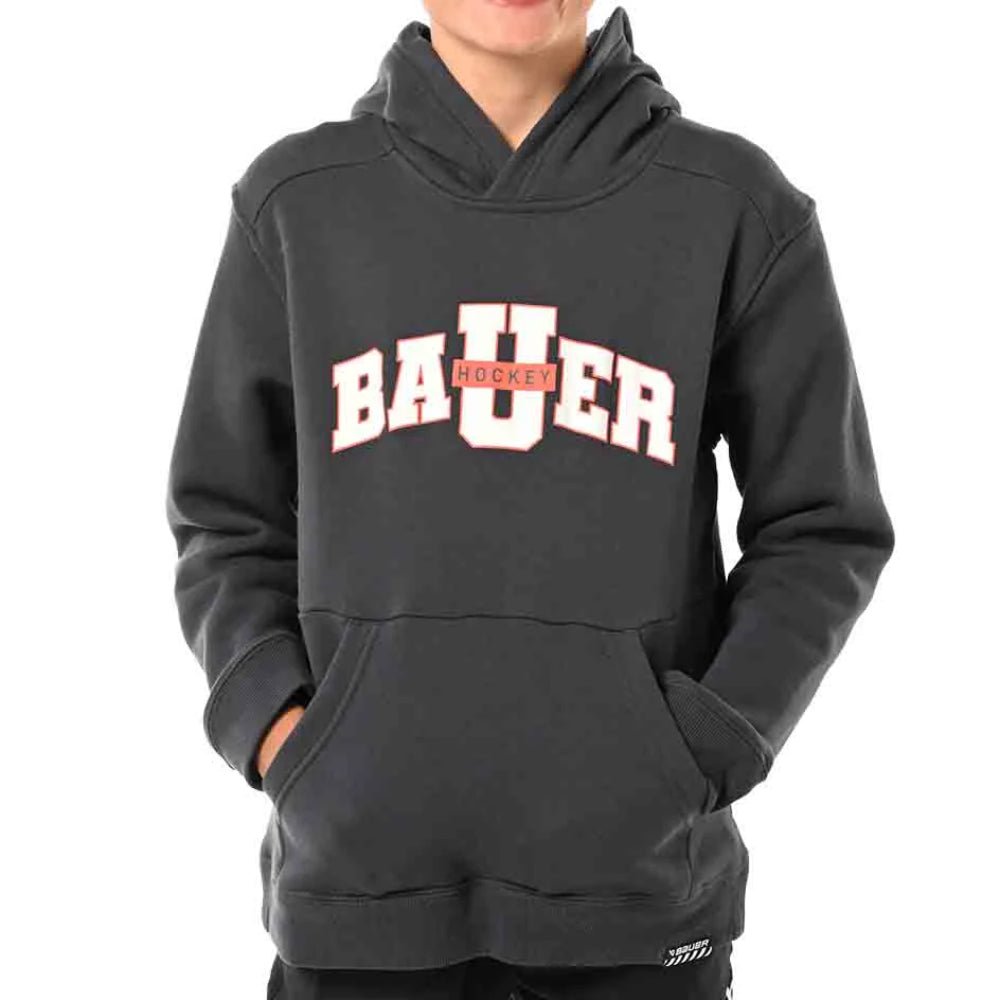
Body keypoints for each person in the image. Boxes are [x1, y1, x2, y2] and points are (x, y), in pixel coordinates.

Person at [165, 2, 894, 997]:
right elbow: (224, 516)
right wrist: (279, 731)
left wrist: (706, 743)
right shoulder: (297, 203)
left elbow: (821, 526)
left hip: (635, 898)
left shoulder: (732, 205)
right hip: (360, 894)